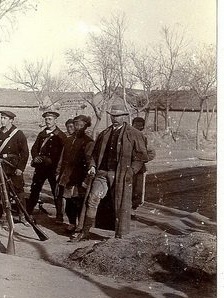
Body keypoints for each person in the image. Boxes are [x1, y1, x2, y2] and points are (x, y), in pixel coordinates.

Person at [71, 103, 148, 241]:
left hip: (121, 176)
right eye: (113, 116)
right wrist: (93, 166)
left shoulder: (134, 134)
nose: (114, 118)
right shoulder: (105, 133)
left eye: (118, 116)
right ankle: (84, 231)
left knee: (119, 205)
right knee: (92, 200)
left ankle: (120, 236)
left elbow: (141, 156)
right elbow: (94, 154)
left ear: (124, 117)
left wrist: (131, 171)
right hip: (102, 173)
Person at [0, 110, 30, 223]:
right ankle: (5, 214)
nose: (2, 120)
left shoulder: (18, 134)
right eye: (1, 118)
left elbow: (25, 153)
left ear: (11, 120)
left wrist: (20, 168)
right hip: (1, 166)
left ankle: (22, 215)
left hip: (13, 166)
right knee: (2, 190)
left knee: (18, 191)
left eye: (5, 118)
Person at [57, 115, 94, 233]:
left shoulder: (88, 142)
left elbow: (90, 161)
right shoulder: (69, 139)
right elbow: (62, 158)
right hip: (68, 176)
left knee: (78, 201)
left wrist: (86, 179)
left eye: (81, 125)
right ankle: (72, 223)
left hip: (80, 177)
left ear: (86, 126)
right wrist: (58, 172)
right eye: (76, 124)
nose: (78, 127)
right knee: (68, 201)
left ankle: (80, 225)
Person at [27, 111, 67, 219]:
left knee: (56, 191)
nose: (48, 121)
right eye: (46, 119)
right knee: (35, 189)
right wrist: (35, 157)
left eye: (50, 119)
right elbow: (34, 148)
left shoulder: (61, 136)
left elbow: (63, 153)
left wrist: (53, 161)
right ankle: (28, 212)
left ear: (55, 120)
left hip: (53, 169)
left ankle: (59, 215)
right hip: (41, 168)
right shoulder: (42, 134)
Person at [130, 116, 155, 211]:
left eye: (140, 126)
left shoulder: (144, 138)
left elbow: (151, 152)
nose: (138, 128)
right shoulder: (128, 136)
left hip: (140, 169)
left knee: (138, 189)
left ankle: (135, 208)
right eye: (136, 125)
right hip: (128, 167)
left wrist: (144, 159)